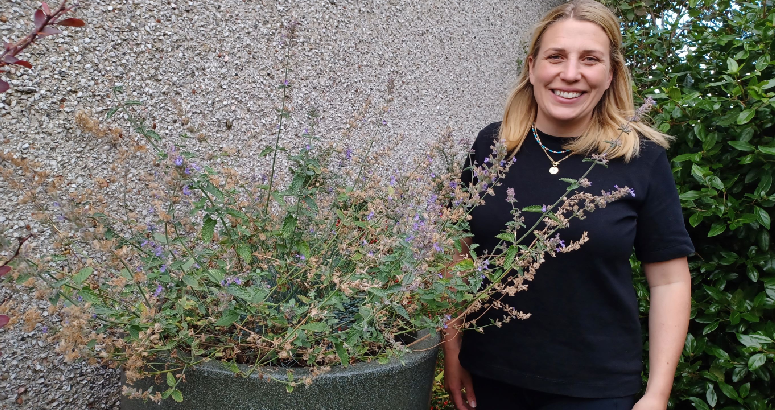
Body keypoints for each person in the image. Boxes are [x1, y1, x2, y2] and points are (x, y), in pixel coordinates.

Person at [442, 1, 694, 409]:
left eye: (590, 59)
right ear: (531, 67)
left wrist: (657, 394)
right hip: (491, 378)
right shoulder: (492, 145)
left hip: (596, 391)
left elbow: (669, 281)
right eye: (555, 56)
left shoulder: (641, 158)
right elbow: (458, 254)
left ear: (610, 74)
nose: (570, 73)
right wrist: (453, 351)